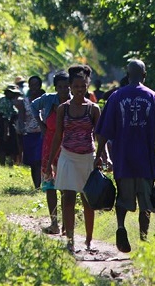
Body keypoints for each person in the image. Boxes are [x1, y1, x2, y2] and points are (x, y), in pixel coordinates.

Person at [94, 58, 155, 253]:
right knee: (146, 203)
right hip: (146, 161)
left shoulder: (116, 97)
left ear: (127, 75)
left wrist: (99, 155)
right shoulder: (154, 98)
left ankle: (121, 226)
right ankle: (144, 241)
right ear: (144, 75)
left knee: (122, 198)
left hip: (123, 159)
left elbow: (104, 131)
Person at [46, 64, 101, 252]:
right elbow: (57, 136)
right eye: (76, 87)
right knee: (68, 198)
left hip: (87, 158)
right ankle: (70, 239)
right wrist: (49, 162)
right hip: (67, 156)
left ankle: (89, 240)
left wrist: (103, 157)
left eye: (83, 86)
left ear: (87, 87)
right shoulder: (63, 109)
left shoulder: (93, 109)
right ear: (70, 87)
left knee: (88, 200)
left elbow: (99, 136)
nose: (79, 90)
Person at [31, 70, 71, 234]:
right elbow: (33, 106)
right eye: (60, 87)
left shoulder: (74, 102)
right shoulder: (48, 99)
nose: (63, 90)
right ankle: (54, 222)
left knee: (66, 186)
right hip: (49, 144)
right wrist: (41, 124)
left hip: (68, 146)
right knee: (50, 185)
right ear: (55, 87)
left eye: (66, 87)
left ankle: (67, 223)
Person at [16, 76, 44, 189]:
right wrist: (20, 129)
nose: (34, 87)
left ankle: (44, 184)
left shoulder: (45, 100)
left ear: (40, 86)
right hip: (29, 135)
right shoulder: (25, 101)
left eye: (36, 84)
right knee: (33, 162)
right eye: (32, 85)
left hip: (42, 134)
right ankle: (37, 186)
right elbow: (21, 117)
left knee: (40, 160)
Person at [0, 84, 20, 166]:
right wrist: (6, 131)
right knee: (3, 144)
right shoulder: (3, 101)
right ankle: (2, 164)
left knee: (12, 145)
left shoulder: (13, 101)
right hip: (3, 125)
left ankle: (11, 163)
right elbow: (5, 117)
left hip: (11, 125)